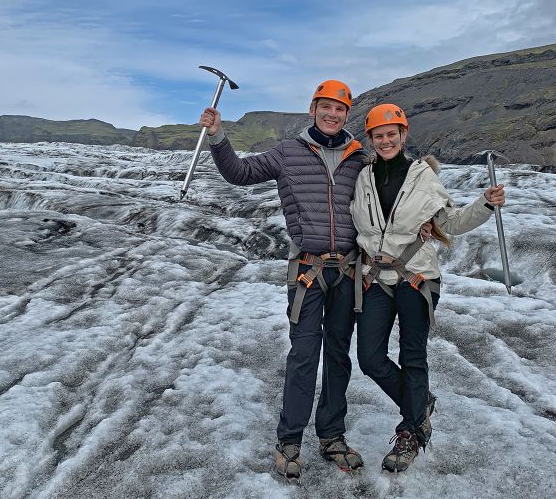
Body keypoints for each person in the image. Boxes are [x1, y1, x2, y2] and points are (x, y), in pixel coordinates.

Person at [199, 80, 366, 482]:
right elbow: (239, 173)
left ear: (347, 114)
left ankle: (331, 436)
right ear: (312, 110)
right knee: (304, 355)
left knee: (339, 356)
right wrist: (218, 136)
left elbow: (391, 198)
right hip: (307, 272)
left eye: (339, 109)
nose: (332, 114)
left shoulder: (360, 157)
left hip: (348, 271)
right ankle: (289, 440)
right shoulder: (288, 152)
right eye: (325, 107)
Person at [350, 103, 505, 472]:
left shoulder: (424, 177)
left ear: (404, 135)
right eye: (378, 135)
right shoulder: (363, 177)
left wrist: (484, 203)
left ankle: (411, 433)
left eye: (393, 134)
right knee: (370, 358)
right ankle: (421, 403)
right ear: (370, 139)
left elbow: (451, 222)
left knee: (413, 356)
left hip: (416, 278)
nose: (386, 140)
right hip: (375, 277)